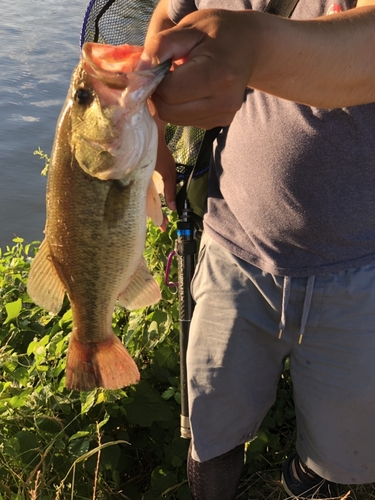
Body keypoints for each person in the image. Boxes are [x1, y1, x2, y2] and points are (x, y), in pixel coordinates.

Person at [140, 1, 375, 499]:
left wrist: (254, 46)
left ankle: (314, 475)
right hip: (232, 247)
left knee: (346, 455)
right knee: (211, 430)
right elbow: (170, 9)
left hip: (361, 266)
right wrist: (153, 125)